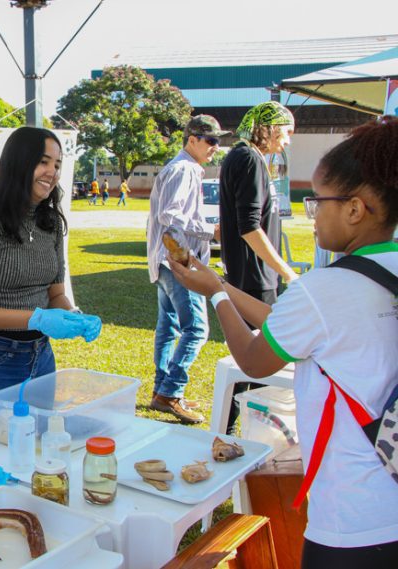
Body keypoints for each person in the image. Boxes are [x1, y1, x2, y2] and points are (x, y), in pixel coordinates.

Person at [168, 116, 398, 568]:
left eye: (318, 203)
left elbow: (255, 361)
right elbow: (292, 327)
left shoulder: (327, 290)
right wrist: (222, 284)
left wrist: (216, 296)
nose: (312, 217)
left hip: (353, 518)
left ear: (355, 209)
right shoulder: (383, 271)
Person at [0, 126, 101, 445]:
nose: (53, 172)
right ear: (20, 162)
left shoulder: (52, 222)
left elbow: (56, 293)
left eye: (58, 165)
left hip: (40, 355)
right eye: (44, 162)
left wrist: (72, 316)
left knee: (36, 453)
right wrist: (36, 318)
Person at [219, 100, 299, 434]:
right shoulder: (249, 159)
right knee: (252, 363)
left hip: (250, 276)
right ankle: (232, 434)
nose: (288, 141)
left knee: (246, 366)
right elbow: (249, 226)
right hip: (255, 279)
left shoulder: (243, 157)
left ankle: (233, 431)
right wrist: (285, 271)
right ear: (265, 128)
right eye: (286, 131)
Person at [146, 115, 228, 424]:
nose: (215, 148)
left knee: (169, 328)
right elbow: (171, 217)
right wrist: (211, 232)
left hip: (168, 260)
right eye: (210, 141)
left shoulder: (181, 167)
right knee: (196, 329)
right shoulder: (185, 169)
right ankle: (169, 393)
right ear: (191, 139)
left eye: (218, 141)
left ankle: (162, 390)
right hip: (179, 261)